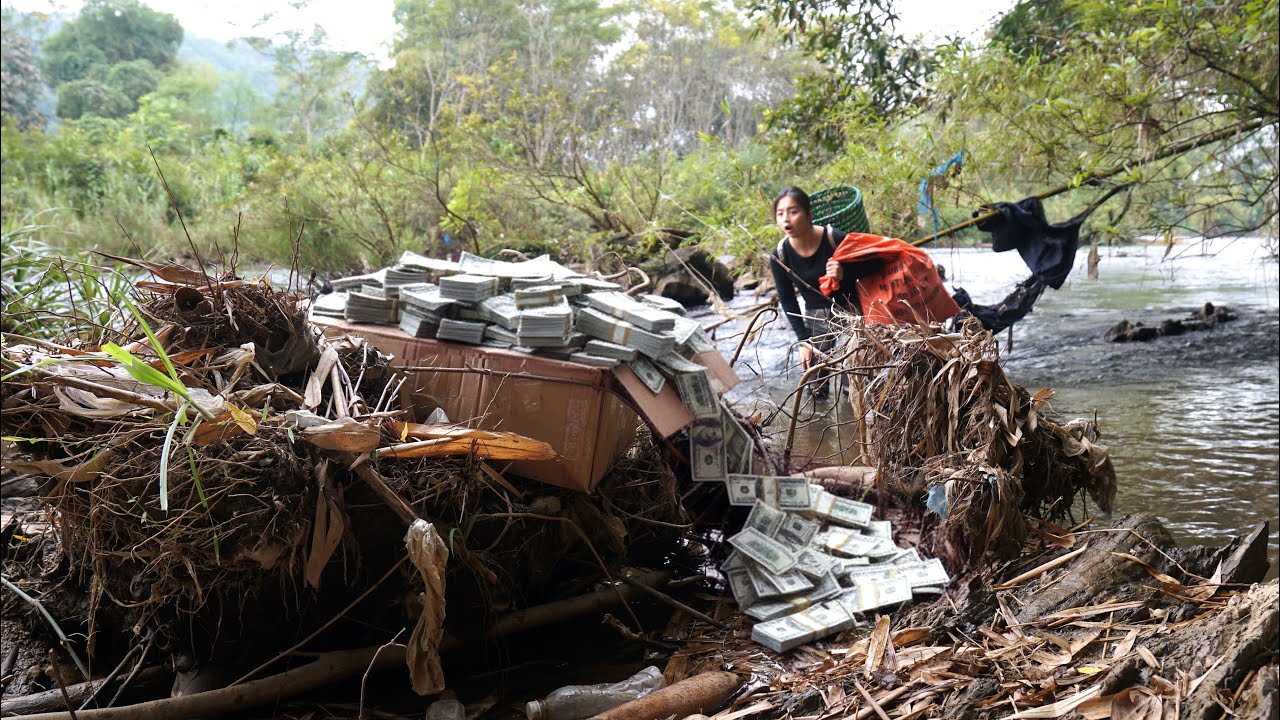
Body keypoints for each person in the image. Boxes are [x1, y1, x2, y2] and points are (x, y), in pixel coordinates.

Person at [768, 186, 882, 399]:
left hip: (849, 313)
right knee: (815, 388)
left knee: (854, 383)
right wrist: (804, 341)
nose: (786, 219)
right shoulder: (780, 255)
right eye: (780, 213)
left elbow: (874, 265)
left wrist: (844, 273)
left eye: (793, 212)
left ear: (809, 215)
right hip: (815, 317)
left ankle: (855, 428)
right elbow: (788, 300)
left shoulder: (834, 239)